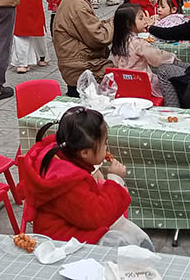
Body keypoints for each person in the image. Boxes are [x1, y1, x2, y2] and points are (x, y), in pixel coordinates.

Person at [19, 106, 151, 248]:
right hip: (62, 240)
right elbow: (97, 216)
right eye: (104, 143)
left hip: (71, 221)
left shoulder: (59, 153)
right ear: (85, 153)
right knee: (123, 243)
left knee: (135, 236)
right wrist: (115, 180)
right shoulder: (68, 181)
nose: (107, 147)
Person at [53, 0, 113, 96]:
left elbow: (91, 28)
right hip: (81, 67)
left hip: (77, 64)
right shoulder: (78, 5)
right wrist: (117, 21)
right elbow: (100, 37)